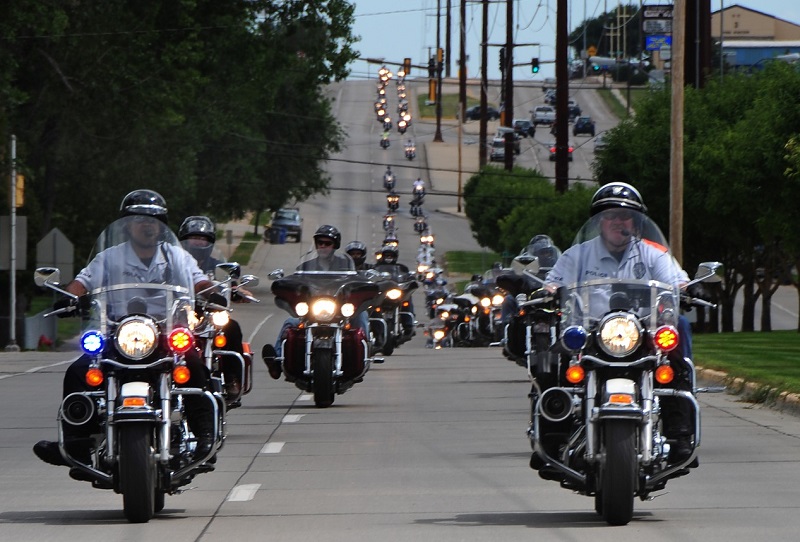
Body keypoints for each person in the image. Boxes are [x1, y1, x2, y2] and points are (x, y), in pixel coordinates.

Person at [33, 189, 218, 473]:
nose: (147, 224)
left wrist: (212, 294)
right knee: (78, 371)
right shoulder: (109, 257)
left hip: (164, 334)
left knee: (193, 366)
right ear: (127, 225)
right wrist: (71, 296)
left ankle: (205, 439)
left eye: (153, 220)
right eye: (139, 219)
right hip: (116, 334)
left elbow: (199, 281)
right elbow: (82, 282)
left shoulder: (176, 257)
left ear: (161, 225)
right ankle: (76, 445)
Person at [544, 181, 695, 464]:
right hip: (591, 332)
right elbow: (553, 283)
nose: (617, 221)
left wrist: (688, 289)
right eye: (610, 215)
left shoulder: (653, 253)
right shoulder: (578, 254)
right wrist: (547, 292)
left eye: (624, 216)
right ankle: (553, 434)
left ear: (636, 222)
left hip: (641, 333)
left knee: (679, 328)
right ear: (599, 221)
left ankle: (680, 430)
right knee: (555, 354)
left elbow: (678, 282)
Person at [262, 225, 355, 379]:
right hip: (313, 310)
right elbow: (296, 282)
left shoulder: (344, 266)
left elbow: (353, 282)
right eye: (320, 243)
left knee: (361, 319)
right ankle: (277, 361)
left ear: (335, 245)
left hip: (338, 311)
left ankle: (366, 354)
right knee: (290, 322)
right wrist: (285, 283)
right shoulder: (305, 266)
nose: (323, 246)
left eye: (327, 243)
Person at [178, 215, 251, 401]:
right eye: (193, 238)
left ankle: (232, 378)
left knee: (231, 328)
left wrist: (236, 291)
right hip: (179, 312)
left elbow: (229, 283)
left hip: (209, 312)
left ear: (210, 243)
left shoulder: (217, 265)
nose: (198, 243)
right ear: (184, 241)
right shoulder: (174, 264)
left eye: (203, 239)